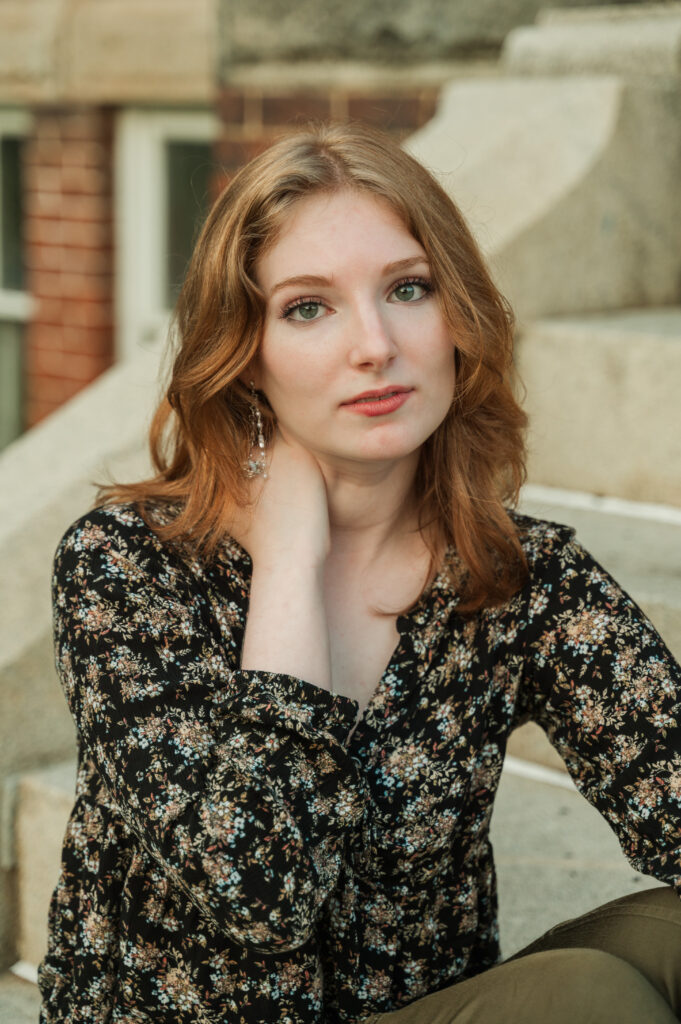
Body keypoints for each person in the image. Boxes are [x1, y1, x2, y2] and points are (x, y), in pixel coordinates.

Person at [40, 122, 681, 1024]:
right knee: (586, 997)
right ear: (245, 354)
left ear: (456, 316)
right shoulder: (127, 567)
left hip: (419, 1007)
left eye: (407, 289)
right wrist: (288, 564)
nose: (375, 345)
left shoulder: (516, 573)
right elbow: (258, 895)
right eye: (309, 307)